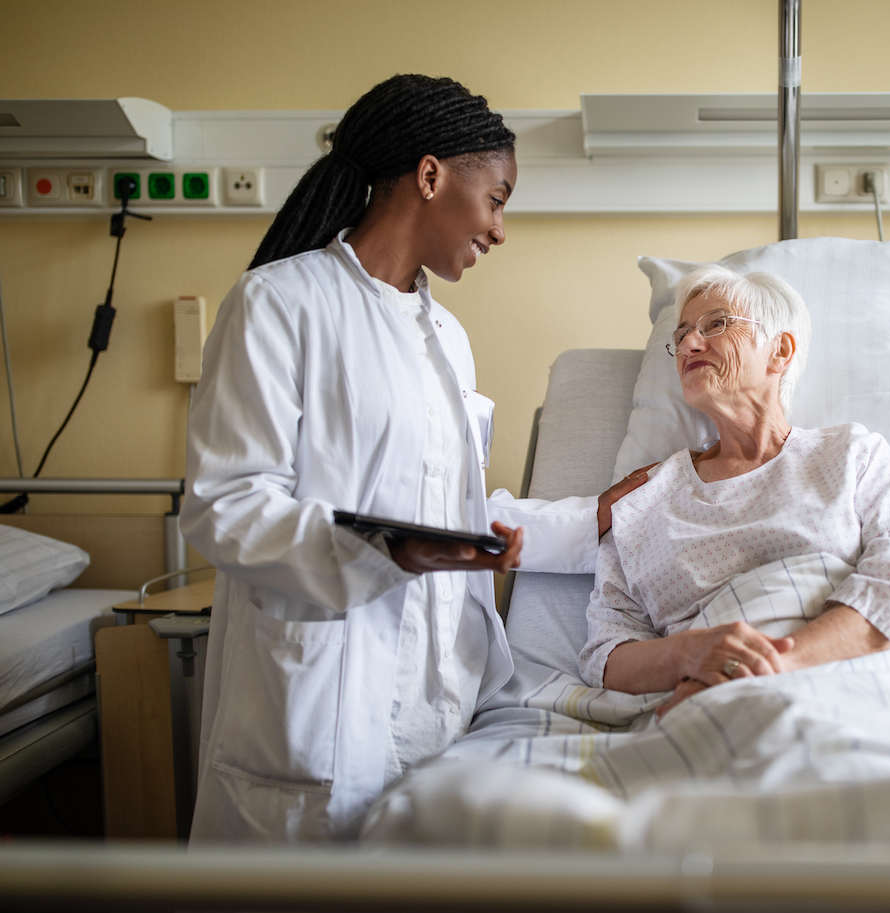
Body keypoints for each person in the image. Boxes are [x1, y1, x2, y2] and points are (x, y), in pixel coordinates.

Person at [183, 75, 644, 842]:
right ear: (430, 176)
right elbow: (226, 502)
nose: (500, 229)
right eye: (496, 199)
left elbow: (443, 503)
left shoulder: (449, 340)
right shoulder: (278, 304)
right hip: (319, 706)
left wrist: (587, 518)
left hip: (437, 708)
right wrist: (384, 549)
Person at [579, 265, 890, 717]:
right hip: (708, 708)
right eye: (681, 334)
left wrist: (766, 669)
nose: (687, 343)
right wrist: (689, 656)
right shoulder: (644, 500)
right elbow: (605, 652)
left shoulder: (850, 456)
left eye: (715, 324)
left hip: (856, 684)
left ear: (779, 350)